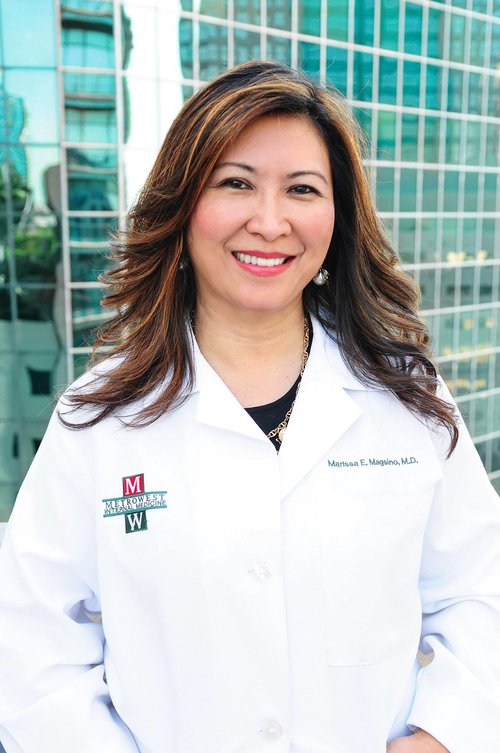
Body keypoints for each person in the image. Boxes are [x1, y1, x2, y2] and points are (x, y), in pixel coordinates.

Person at [0, 60, 499, 753]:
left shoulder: (406, 397)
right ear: (183, 207)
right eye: (235, 183)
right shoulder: (100, 417)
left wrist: (442, 738)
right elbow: (29, 643)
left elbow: (481, 587)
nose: (270, 222)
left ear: (337, 218)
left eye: (302, 189)